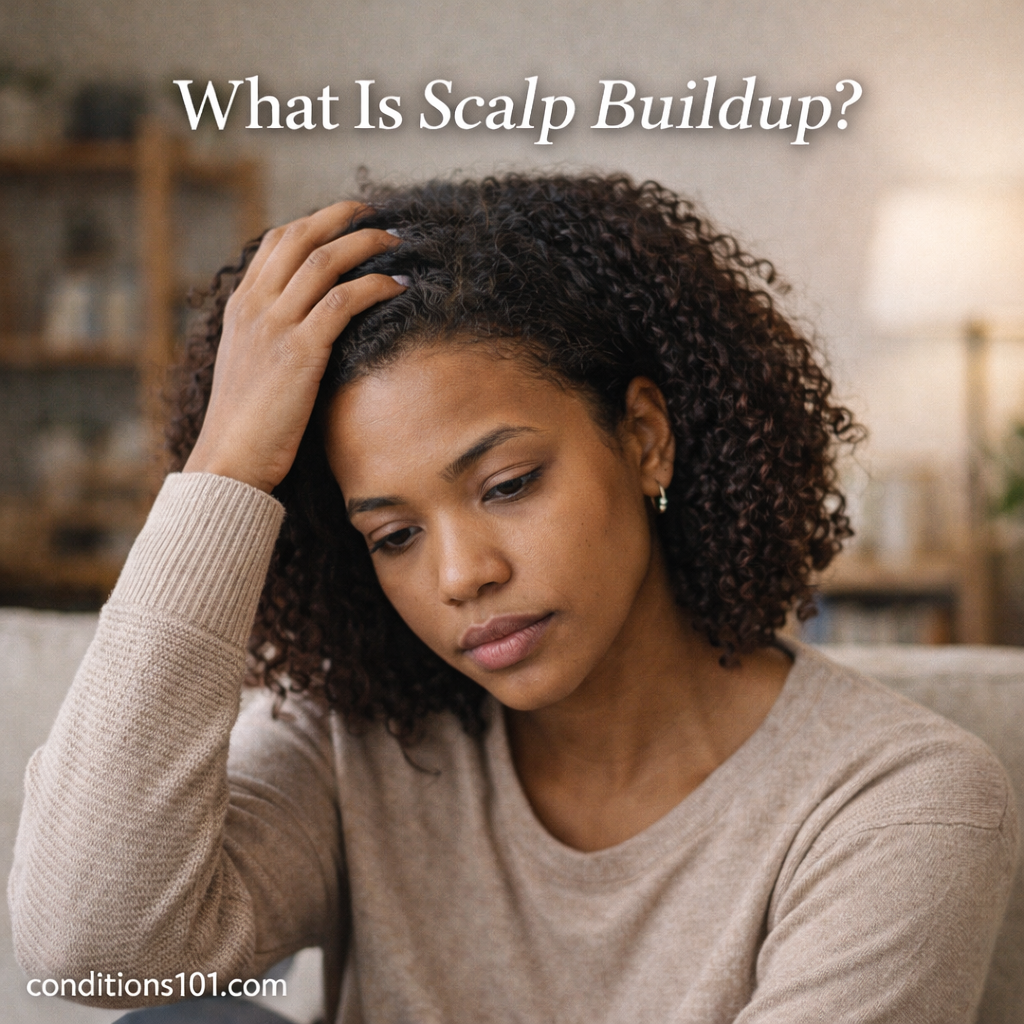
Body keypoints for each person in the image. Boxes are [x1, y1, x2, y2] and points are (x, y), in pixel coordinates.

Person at [9, 174, 1018, 1024]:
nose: (461, 575)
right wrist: (224, 470)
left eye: (507, 486)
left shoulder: (896, 801)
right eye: (393, 535)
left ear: (643, 437)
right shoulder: (358, 745)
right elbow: (93, 947)